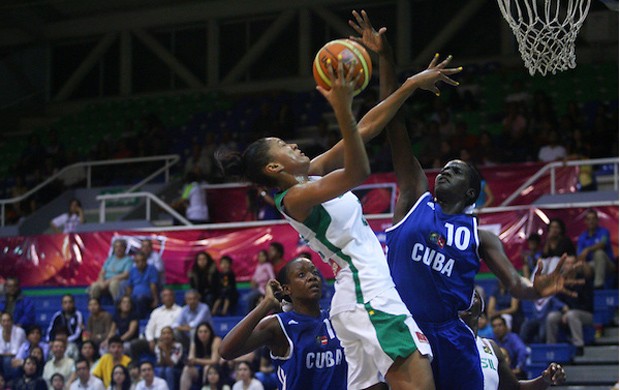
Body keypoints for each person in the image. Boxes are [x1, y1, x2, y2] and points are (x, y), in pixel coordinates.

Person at [351, 9, 581, 390]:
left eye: (455, 171)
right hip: (405, 329)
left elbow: (515, 285)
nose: (443, 171)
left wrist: (535, 289)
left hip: (453, 336)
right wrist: (386, 59)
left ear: (471, 192)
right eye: (444, 167)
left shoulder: (481, 236)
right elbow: (394, 123)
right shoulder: (414, 199)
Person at [217, 47, 443, 390]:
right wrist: (342, 110)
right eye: (282, 144)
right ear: (274, 168)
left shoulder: (309, 175)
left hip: (356, 299)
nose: (292, 144)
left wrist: (410, 83)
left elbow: (366, 128)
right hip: (367, 295)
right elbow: (357, 170)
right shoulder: (293, 198)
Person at [219, 258, 347, 390]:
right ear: (286, 289)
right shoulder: (279, 325)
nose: (312, 277)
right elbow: (226, 351)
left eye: (314, 273)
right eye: (302, 275)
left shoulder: (335, 318)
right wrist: (267, 303)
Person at [460, 291, 566, 390]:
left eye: (473, 294)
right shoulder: (445, 345)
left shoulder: (491, 347)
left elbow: (515, 387)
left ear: (481, 308)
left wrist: (544, 380)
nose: (468, 299)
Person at [576, 208, 616, 289]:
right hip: (590, 265)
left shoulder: (604, 232)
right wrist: (584, 264)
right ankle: (576, 295)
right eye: (588, 219)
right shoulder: (582, 236)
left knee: (599, 253)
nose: (591, 221)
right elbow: (579, 255)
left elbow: (602, 244)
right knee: (574, 266)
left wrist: (588, 249)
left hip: (608, 264)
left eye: (593, 218)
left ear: (598, 220)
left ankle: (598, 285)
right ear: (585, 221)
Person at [180, 322, 221, 390]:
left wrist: (196, 360)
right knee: (186, 369)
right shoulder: (195, 342)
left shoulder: (216, 340)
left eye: (205, 331)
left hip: (216, 370)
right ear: (197, 333)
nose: (203, 334)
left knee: (207, 368)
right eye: (200, 332)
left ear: (210, 332)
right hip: (199, 370)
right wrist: (189, 361)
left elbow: (214, 361)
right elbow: (191, 359)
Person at [490, 315, 528, 379]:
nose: (497, 328)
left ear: (506, 327)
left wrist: (518, 368)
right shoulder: (491, 341)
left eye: (500, 325)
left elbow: (522, 351)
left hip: (513, 372)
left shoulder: (513, 338)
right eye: (494, 326)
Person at [126, 251, 160, 319]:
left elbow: (153, 285)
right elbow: (129, 286)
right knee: (120, 301)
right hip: (134, 297)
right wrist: (127, 298)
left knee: (140, 299)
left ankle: (138, 320)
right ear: (135, 262)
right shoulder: (132, 270)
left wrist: (155, 299)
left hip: (147, 298)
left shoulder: (151, 269)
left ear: (146, 260)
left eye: (142, 260)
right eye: (138, 261)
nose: (140, 263)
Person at [0, 312, 26, 381]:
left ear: (12, 321)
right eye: (4, 321)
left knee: (7, 360)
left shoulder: (19, 332)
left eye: (8, 320)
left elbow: (16, 351)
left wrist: (4, 354)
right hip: (2, 358)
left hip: (19, 357)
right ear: (1, 322)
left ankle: (9, 381)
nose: (6, 323)